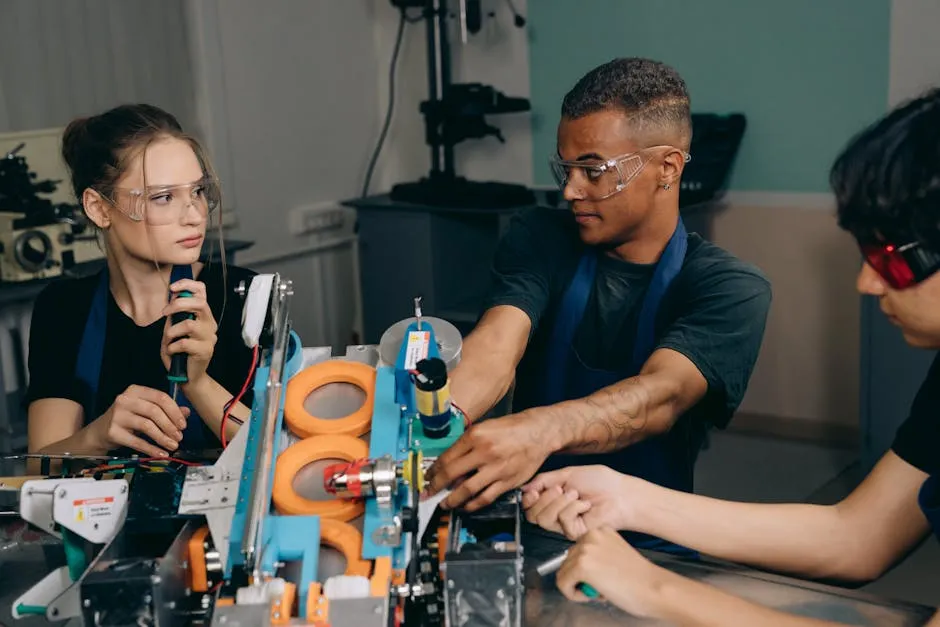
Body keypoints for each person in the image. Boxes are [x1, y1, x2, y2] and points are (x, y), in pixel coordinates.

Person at [521, 87, 940, 626]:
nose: (866, 283)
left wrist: (655, 589)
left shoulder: (727, 283)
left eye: (892, 259)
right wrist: (627, 499)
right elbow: (858, 536)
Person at [423, 57, 772, 540]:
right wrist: (439, 423)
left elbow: (661, 396)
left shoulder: (728, 288)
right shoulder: (540, 236)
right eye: (566, 168)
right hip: (527, 522)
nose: (570, 190)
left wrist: (540, 431)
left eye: (593, 170)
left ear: (667, 168)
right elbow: (498, 343)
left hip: (645, 543)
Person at [26, 103, 257, 461]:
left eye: (197, 191)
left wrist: (198, 384)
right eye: (163, 197)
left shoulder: (246, 298)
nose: (194, 215)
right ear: (99, 208)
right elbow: (38, 466)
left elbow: (277, 452)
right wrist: (98, 435)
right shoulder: (63, 309)